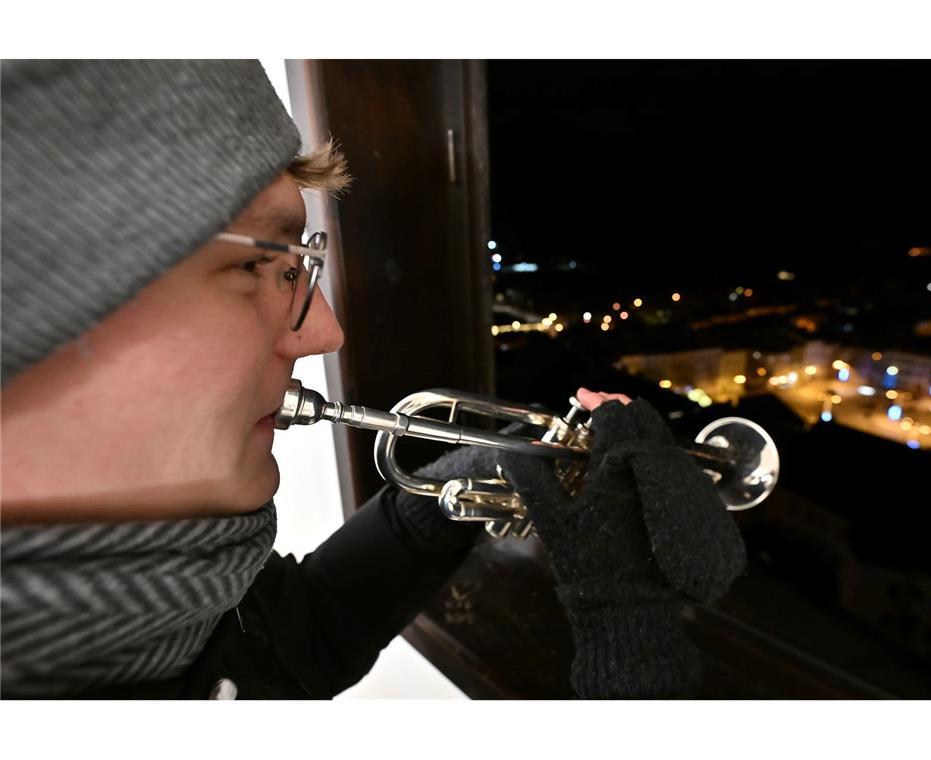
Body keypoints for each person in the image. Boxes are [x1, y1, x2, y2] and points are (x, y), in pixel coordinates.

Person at [0, 60, 746, 699]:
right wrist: (633, 643)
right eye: (262, 265)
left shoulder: (157, 598)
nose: (323, 331)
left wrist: (484, 471)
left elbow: (294, 638)